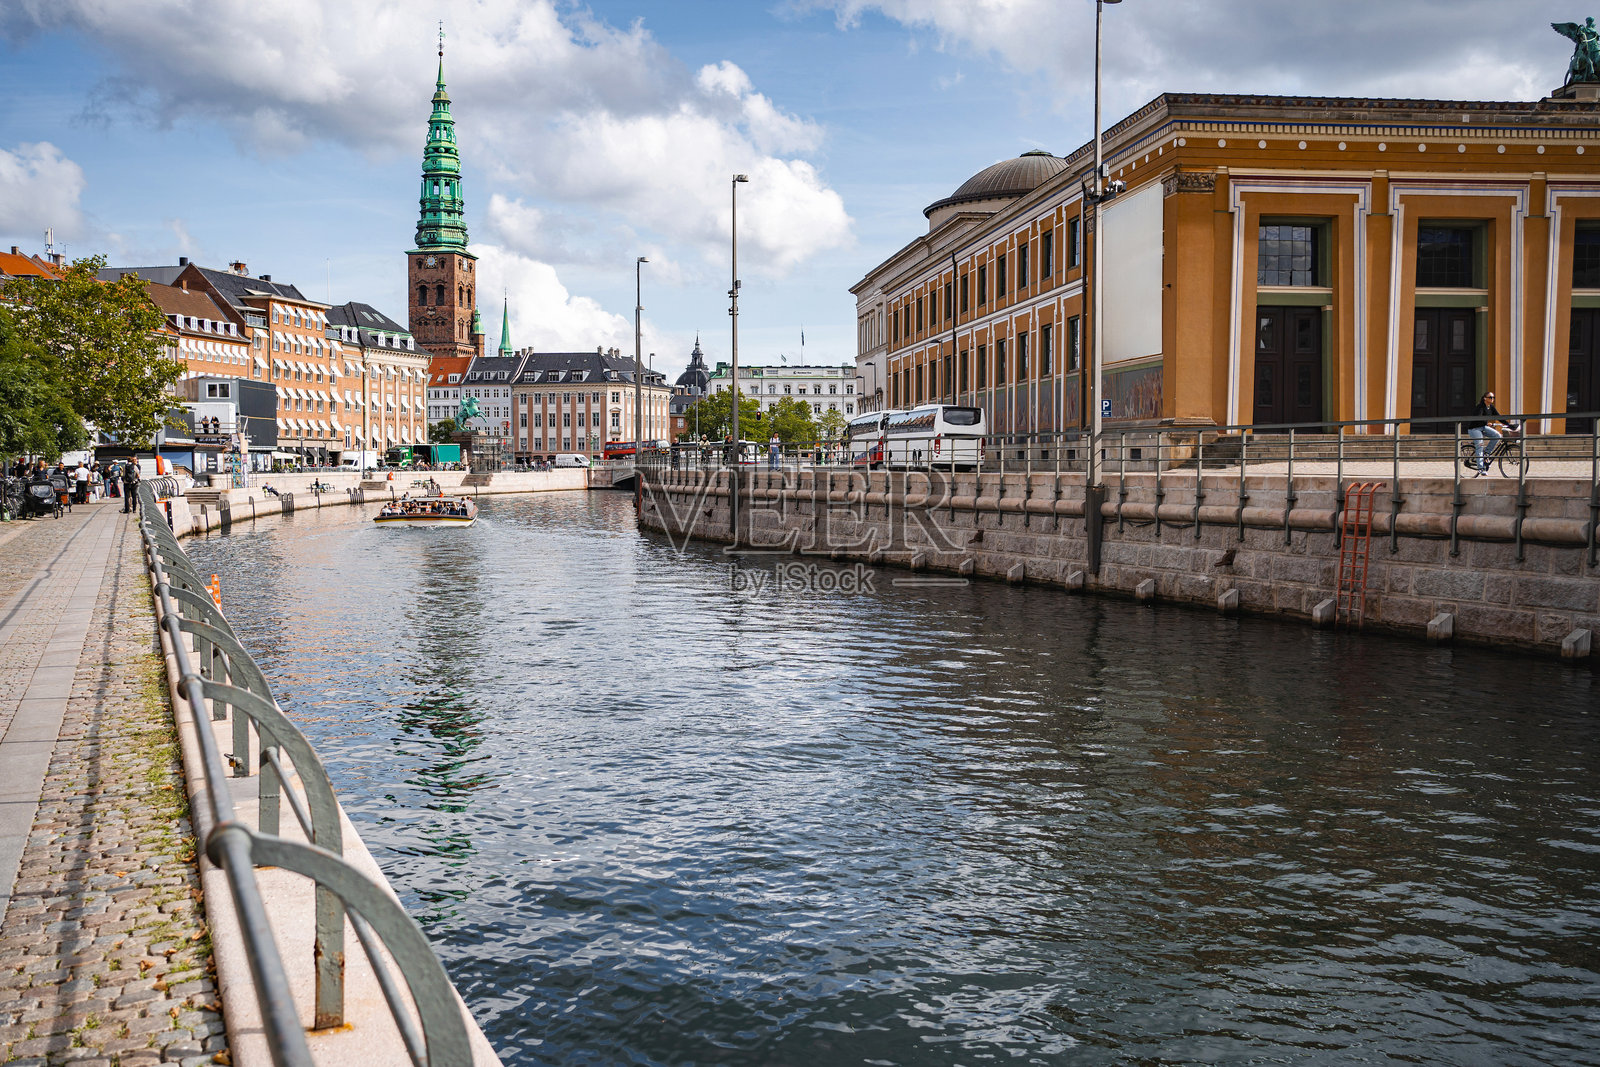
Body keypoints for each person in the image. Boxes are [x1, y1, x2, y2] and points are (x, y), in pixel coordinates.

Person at [1467, 391, 1502, 474]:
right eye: (1490, 397)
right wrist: (1487, 423)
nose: (1492, 399)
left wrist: (1509, 425)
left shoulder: (1491, 407)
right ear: (1485, 398)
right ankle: (1481, 468)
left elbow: (1499, 417)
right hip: (1474, 429)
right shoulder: (1480, 407)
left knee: (1497, 435)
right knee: (1480, 445)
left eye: (1493, 397)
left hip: (1482, 427)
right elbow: (1478, 418)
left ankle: (1486, 453)